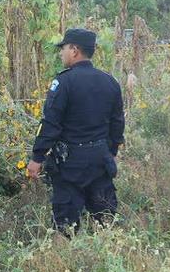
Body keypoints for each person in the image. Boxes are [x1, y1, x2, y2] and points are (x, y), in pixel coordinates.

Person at [27, 28, 125, 235]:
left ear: (74, 50)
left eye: (63, 48)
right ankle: (105, 260)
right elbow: (117, 123)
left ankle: (65, 261)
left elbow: (51, 124)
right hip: (101, 160)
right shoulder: (110, 81)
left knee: (65, 227)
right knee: (105, 223)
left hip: (70, 164)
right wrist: (112, 152)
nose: (61, 53)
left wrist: (37, 156)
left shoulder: (63, 82)